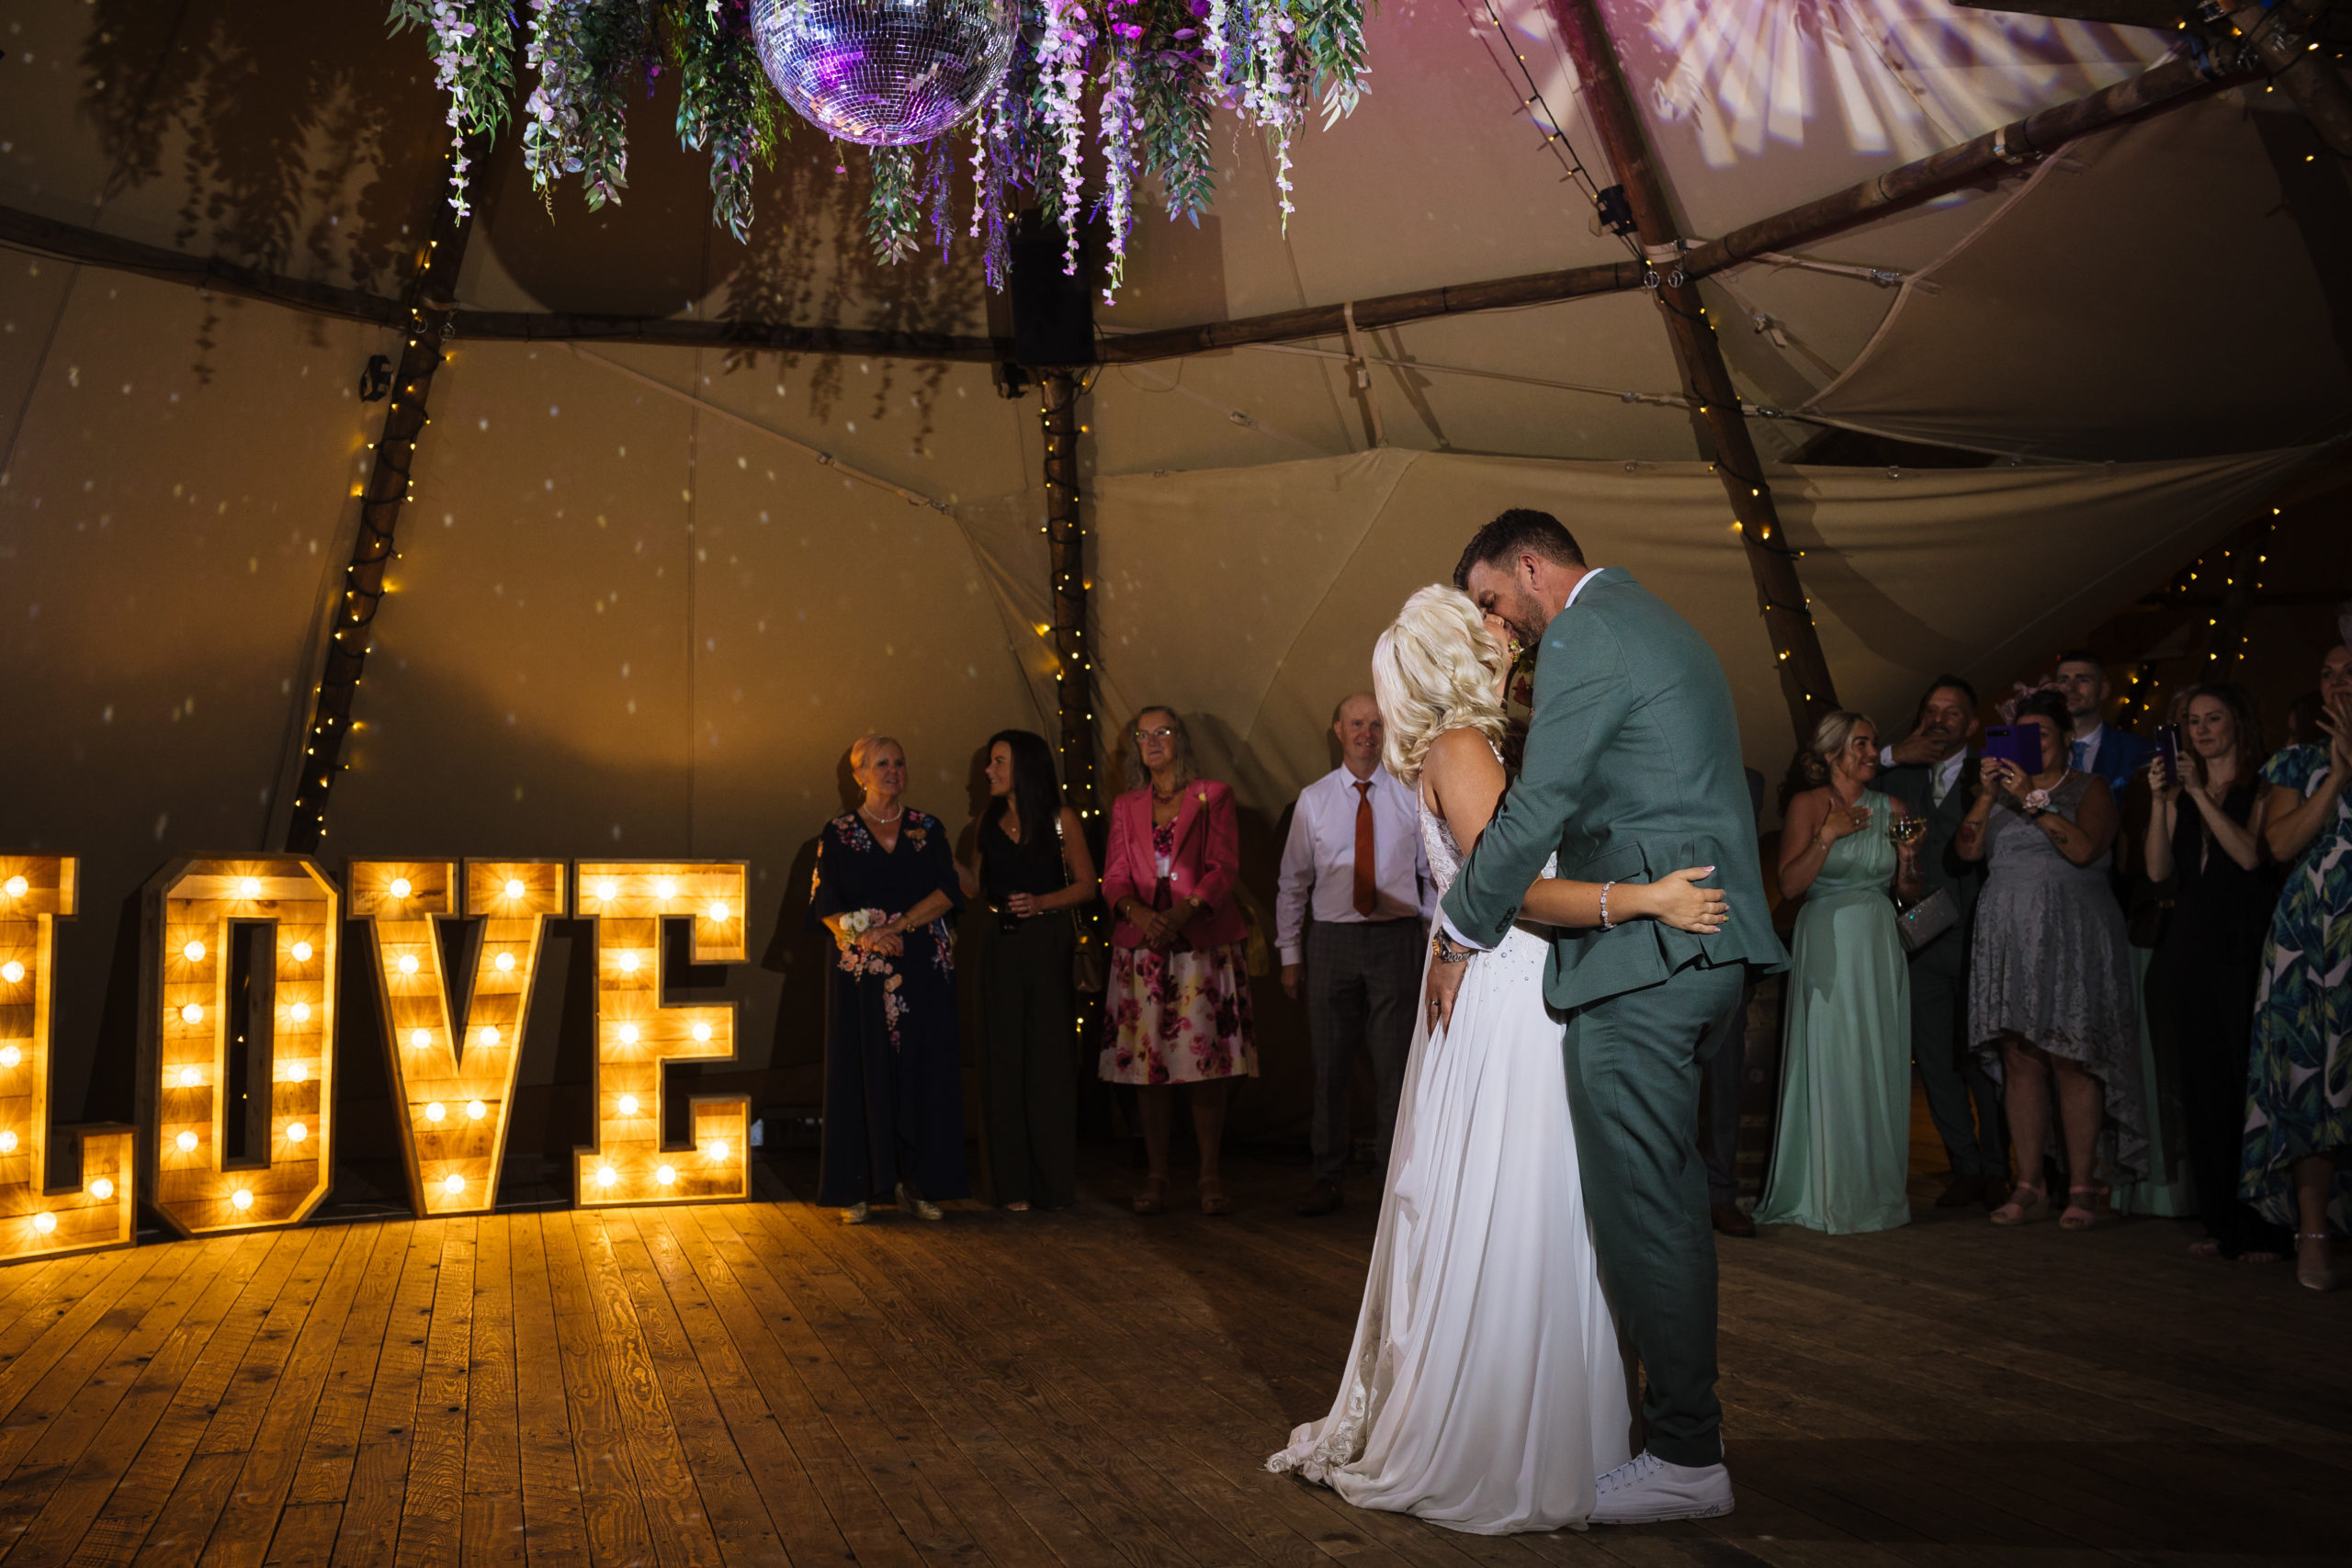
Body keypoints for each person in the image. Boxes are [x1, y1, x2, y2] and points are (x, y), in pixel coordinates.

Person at [1269, 584, 1730, 1532]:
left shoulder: (1460, 748)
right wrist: (1641, 901)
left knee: (1513, 1208)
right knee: (1523, 1210)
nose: (1505, 638)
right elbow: (1517, 891)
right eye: (1483, 629)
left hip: (1494, 988)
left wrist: (1450, 940)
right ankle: (1510, 1440)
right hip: (1516, 992)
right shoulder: (1462, 749)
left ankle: (1552, 1429)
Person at [1432, 511, 1787, 1524]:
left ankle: (1683, 1456)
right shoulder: (1649, 618)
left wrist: (1458, 929)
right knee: (1655, 1193)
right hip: (1683, 947)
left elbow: (1538, 807)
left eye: (1497, 602)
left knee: (1648, 1204)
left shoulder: (1589, 627)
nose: (1503, 629)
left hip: (1652, 958)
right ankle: (1671, 1437)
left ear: (1532, 567)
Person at [1959, 691, 2146, 1230]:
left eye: (2043, 733)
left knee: (2071, 1053)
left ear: (2066, 738)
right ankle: (2029, 1180)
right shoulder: (1996, 794)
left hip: (2072, 932)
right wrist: (1989, 794)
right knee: (2020, 1056)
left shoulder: (2088, 789)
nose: (2033, 742)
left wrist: (2034, 801)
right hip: (2009, 933)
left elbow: (2085, 850)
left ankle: (2083, 1184)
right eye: (2024, 733)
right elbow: (1968, 851)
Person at [1754, 712, 1922, 1235]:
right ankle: (1823, 1189)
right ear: (1830, 754)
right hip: (1826, 936)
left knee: (1877, 1056)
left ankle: (1875, 1189)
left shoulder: (1891, 807)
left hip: (1877, 939)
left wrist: (1908, 860)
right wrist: (1825, 836)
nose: (1873, 752)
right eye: (1861, 744)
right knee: (1832, 1055)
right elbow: (1791, 883)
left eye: (1874, 743)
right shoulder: (1808, 805)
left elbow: (1909, 894)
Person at [2141, 684, 2286, 1263]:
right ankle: (2220, 1219)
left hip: (2243, 945)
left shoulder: (2264, 787)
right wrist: (2161, 800)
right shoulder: (2183, 792)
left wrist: (2199, 795)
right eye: (2193, 721)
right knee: (2202, 1089)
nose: (2200, 730)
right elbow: (2157, 871)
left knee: (2247, 1086)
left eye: (2213, 719)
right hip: (2190, 949)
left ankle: (2265, 1225)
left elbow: (2251, 857)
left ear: (2238, 724)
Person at [1276, 694, 1435, 1217]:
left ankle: (1390, 1183)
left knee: (1393, 1070)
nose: (1366, 732)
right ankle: (1327, 1177)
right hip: (1331, 942)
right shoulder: (1314, 800)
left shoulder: (1410, 795)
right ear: (1338, 731)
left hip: (1394, 941)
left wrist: (1432, 939)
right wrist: (1290, 956)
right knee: (1330, 1067)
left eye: (1375, 724)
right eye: (1357, 724)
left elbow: (1429, 876)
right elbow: (1292, 884)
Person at [1099, 707, 1255, 1217]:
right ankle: (1157, 1173)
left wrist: (1183, 912)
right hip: (1143, 948)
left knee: (1205, 1062)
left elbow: (1223, 867)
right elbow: (1114, 878)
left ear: (1180, 741)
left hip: (1201, 944)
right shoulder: (1126, 805)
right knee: (1149, 1063)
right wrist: (1143, 916)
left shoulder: (1213, 795)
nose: (1152, 741)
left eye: (1161, 731)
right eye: (1142, 735)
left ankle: (1209, 1173)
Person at [809, 734, 969, 1224]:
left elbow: (949, 890)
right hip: (862, 970)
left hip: (923, 966)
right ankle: (858, 1187)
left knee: (925, 1072)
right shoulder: (837, 833)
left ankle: (922, 1184)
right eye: (881, 764)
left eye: (900, 762)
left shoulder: (927, 827)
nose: (893, 771)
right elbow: (825, 905)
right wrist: (869, 937)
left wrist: (897, 927)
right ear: (858, 775)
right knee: (861, 1071)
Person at [2245, 640, 2352, 1291]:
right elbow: (2280, 842)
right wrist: (2338, 775)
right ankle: (2312, 1229)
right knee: (2309, 1075)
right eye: (2327, 670)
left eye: (2350, 671)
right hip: (2309, 936)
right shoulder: (2295, 762)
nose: (2336, 681)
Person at [1876, 676, 2007, 1208]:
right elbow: (1834, 768)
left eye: (1952, 713)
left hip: (1981, 932)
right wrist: (1891, 752)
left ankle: (1999, 1167)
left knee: (1981, 1054)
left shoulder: (1990, 773)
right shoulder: (1897, 774)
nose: (1939, 719)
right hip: (1920, 936)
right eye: (1931, 709)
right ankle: (1965, 1167)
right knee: (1933, 1057)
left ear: (1972, 724)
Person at [956, 729, 1098, 1213]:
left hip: (1047, 943)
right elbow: (974, 886)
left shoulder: (1061, 820)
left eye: (998, 762)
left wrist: (1041, 903)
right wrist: (936, 852)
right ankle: (1009, 1186)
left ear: (1026, 767)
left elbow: (1086, 886)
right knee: (1001, 1061)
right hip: (998, 945)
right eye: (989, 762)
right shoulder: (985, 822)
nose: (989, 771)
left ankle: (1052, 1185)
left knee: (1049, 1061)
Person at [1697, 766, 1768, 1239]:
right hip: (1650, 937)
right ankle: (1677, 1198)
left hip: (1725, 943)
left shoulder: (1744, 778)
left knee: (1724, 1083)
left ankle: (1720, 1193)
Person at [2051, 649, 2151, 802]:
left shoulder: (2138, 750)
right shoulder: (2042, 747)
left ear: (2103, 689)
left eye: (2082, 680)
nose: (2070, 688)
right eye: (2063, 681)